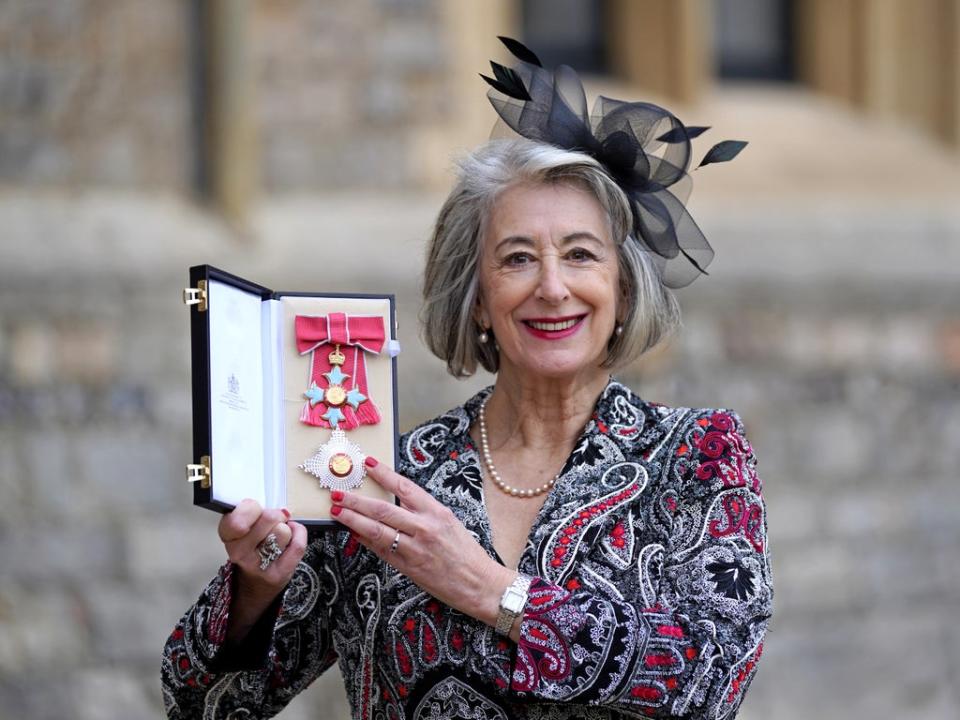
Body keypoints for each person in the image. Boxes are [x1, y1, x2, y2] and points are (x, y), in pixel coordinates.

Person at [162, 38, 772, 720]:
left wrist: (491, 590)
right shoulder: (381, 479)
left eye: (580, 255)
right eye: (517, 259)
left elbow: (709, 673)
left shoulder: (698, 455)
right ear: (478, 297)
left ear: (623, 290)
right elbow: (202, 705)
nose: (551, 287)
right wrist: (252, 589)